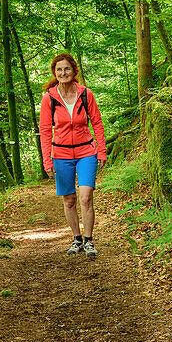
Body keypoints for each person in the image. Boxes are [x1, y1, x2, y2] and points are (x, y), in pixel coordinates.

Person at [39, 53, 106, 256]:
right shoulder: (49, 98)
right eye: (59, 69)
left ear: (74, 71)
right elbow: (44, 130)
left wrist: (101, 151)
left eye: (67, 69)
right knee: (69, 200)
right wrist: (47, 159)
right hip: (60, 154)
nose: (63, 73)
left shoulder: (86, 94)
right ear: (55, 73)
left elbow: (97, 123)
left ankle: (89, 241)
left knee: (85, 197)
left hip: (87, 151)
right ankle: (76, 239)